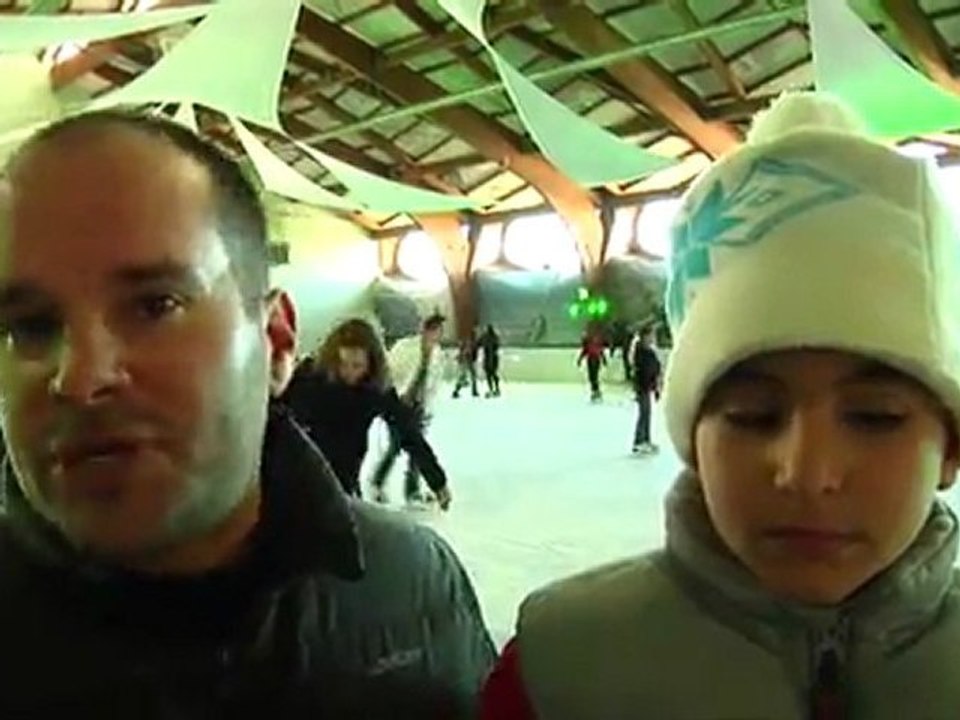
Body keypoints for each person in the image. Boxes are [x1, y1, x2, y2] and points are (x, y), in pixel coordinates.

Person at [479, 92, 960, 718]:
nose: (808, 474)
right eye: (753, 415)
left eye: (874, 416)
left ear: (951, 446)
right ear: (695, 440)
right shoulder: (562, 672)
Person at [0, 110, 495, 717]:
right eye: (29, 326)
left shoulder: (412, 589)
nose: (79, 378)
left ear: (277, 341)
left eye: (155, 305)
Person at [281, 318, 452, 508]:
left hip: (344, 479)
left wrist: (437, 480)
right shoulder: (310, 375)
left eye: (357, 366)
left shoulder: (375, 389)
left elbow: (407, 430)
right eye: (343, 363)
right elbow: (275, 414)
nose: (349, 372)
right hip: (299, 473)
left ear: (371, 365)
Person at [371, 313, 446, 506]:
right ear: (424, 329)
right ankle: (377, 483)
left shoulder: (438, 354)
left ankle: (412, 491)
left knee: (417, 450)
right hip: (400, 406)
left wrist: (428, 406)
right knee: (396, 447)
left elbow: (433, 383)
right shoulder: (405, 347)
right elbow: (389, 370)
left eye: (439, 331)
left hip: (420, 408)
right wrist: (394, 396)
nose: (436, 335)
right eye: (433, 330)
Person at [630, 325, 662, 455]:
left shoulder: (648, 351)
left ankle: (646, 440)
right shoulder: (641, 351)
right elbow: (644, 371)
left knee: (647, 414)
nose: (653, 338)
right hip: (642, 387)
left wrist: (656, 387)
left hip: (647, 387)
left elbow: (655, 368)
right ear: (645, 336)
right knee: (644, 414)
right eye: (651, 335)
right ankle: (639, 441)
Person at [576, 326, 606, 402]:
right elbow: (585, 351)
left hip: (595, 359)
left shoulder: (593, 342)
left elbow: (600, 351)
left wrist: (603, 359)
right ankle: (595, 390)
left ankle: (596, 391)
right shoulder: (588, 343)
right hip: (591, 359)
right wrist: (579, 360)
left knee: (594, 376)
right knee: (592, 376)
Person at [453, 327, 480, 399]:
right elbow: (467, 352)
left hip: (468, 361)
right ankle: (457, 391)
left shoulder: (471, 342)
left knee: (468, 377)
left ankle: (473, 391)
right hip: (468, 361)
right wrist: (466, 358)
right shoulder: (470, 342)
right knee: (465, 377)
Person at [479, 324, 501, 398]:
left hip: (490, 357)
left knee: (490, 374)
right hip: (492, 357)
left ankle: (494, 389)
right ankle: (495, 389)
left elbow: (479, 343)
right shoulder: (493, 337)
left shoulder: (488, 337)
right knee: (491, 374)